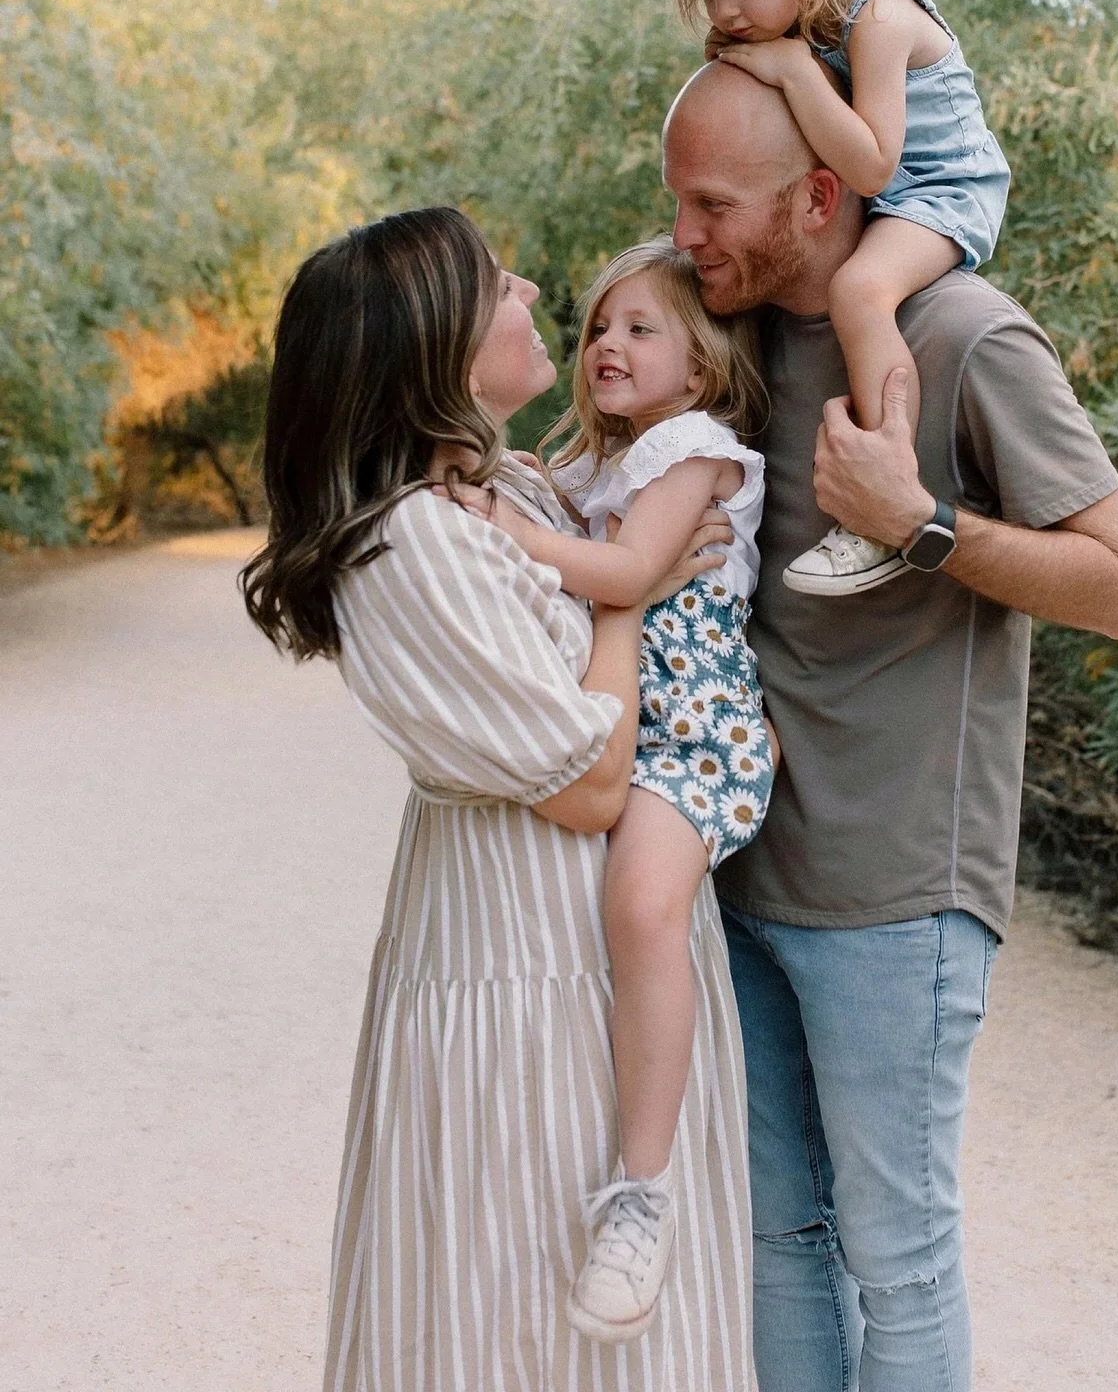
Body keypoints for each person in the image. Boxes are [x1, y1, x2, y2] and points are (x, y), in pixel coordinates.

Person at [662, 65, 1118, 1392]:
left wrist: (922, 525)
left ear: (820, 196)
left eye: (711, 203)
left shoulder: (969, 336)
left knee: (898, 1254)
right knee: (782, 1241)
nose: (684, 233)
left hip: (898, 897)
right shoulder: (735, 331)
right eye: (676, 202)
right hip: (742, 869)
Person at [240, 207, 757, 1392]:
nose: (528, 288)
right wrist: (630, 598)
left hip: (594, 965)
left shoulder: (506, 487)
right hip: (521, 966)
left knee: (609, 1318)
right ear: (435, 346)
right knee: (512, 1307)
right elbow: (588, 785)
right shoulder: (415, 545)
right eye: (496, 284)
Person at [475, 237, 775, 1343]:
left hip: (697, 735)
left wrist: (505, 531)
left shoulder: (696, 449)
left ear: (698, 370)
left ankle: (641, 1193)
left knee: (642, 906)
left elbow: (628, 578)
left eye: (641, 329)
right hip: (637, 724)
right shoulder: (607, 465)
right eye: (599, 324)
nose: (607, 343)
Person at [658, 0, 1011, 598]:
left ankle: (884, 496)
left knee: (859, 288)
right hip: (893, 184)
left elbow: (875, 166)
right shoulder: (809, 2)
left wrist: (786, 69)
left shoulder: (879, 16)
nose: (726, 11)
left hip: (943, 189)